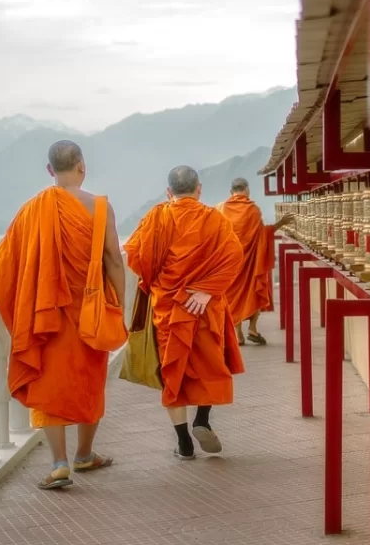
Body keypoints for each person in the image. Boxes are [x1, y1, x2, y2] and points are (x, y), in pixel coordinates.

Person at [0, 140, 124, 490]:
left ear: (50, 170)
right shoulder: (100, 207)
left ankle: (59, 463)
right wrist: (118, 305)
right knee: (90, 380)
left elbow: (4, 263)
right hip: (90, 309)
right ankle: (85, 454)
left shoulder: (34, 208)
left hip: (46, 313)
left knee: (50, 384)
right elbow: (113, 259)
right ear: (82, 166)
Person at [124, 166, 246, 458]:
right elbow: (234, 256)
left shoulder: (156, 218)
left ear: (169, 192)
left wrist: (159, 280)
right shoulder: (214, 218)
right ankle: (202, 420)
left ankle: (184, 443)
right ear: (199, 189)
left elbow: (137, 257)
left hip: (169, 308)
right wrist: (206, 290)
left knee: (172, 370)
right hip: (203, 307)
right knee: (209, 364)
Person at [218, 177, 293, 346]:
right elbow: (262, 235)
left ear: (231, 192)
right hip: (250, 264)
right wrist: (281, 223)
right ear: (247, 190)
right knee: (254, 292)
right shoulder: (253, 210)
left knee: (232, 297)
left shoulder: (221, 209)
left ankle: (238, 334)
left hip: (230, 263)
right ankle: (252, 328)